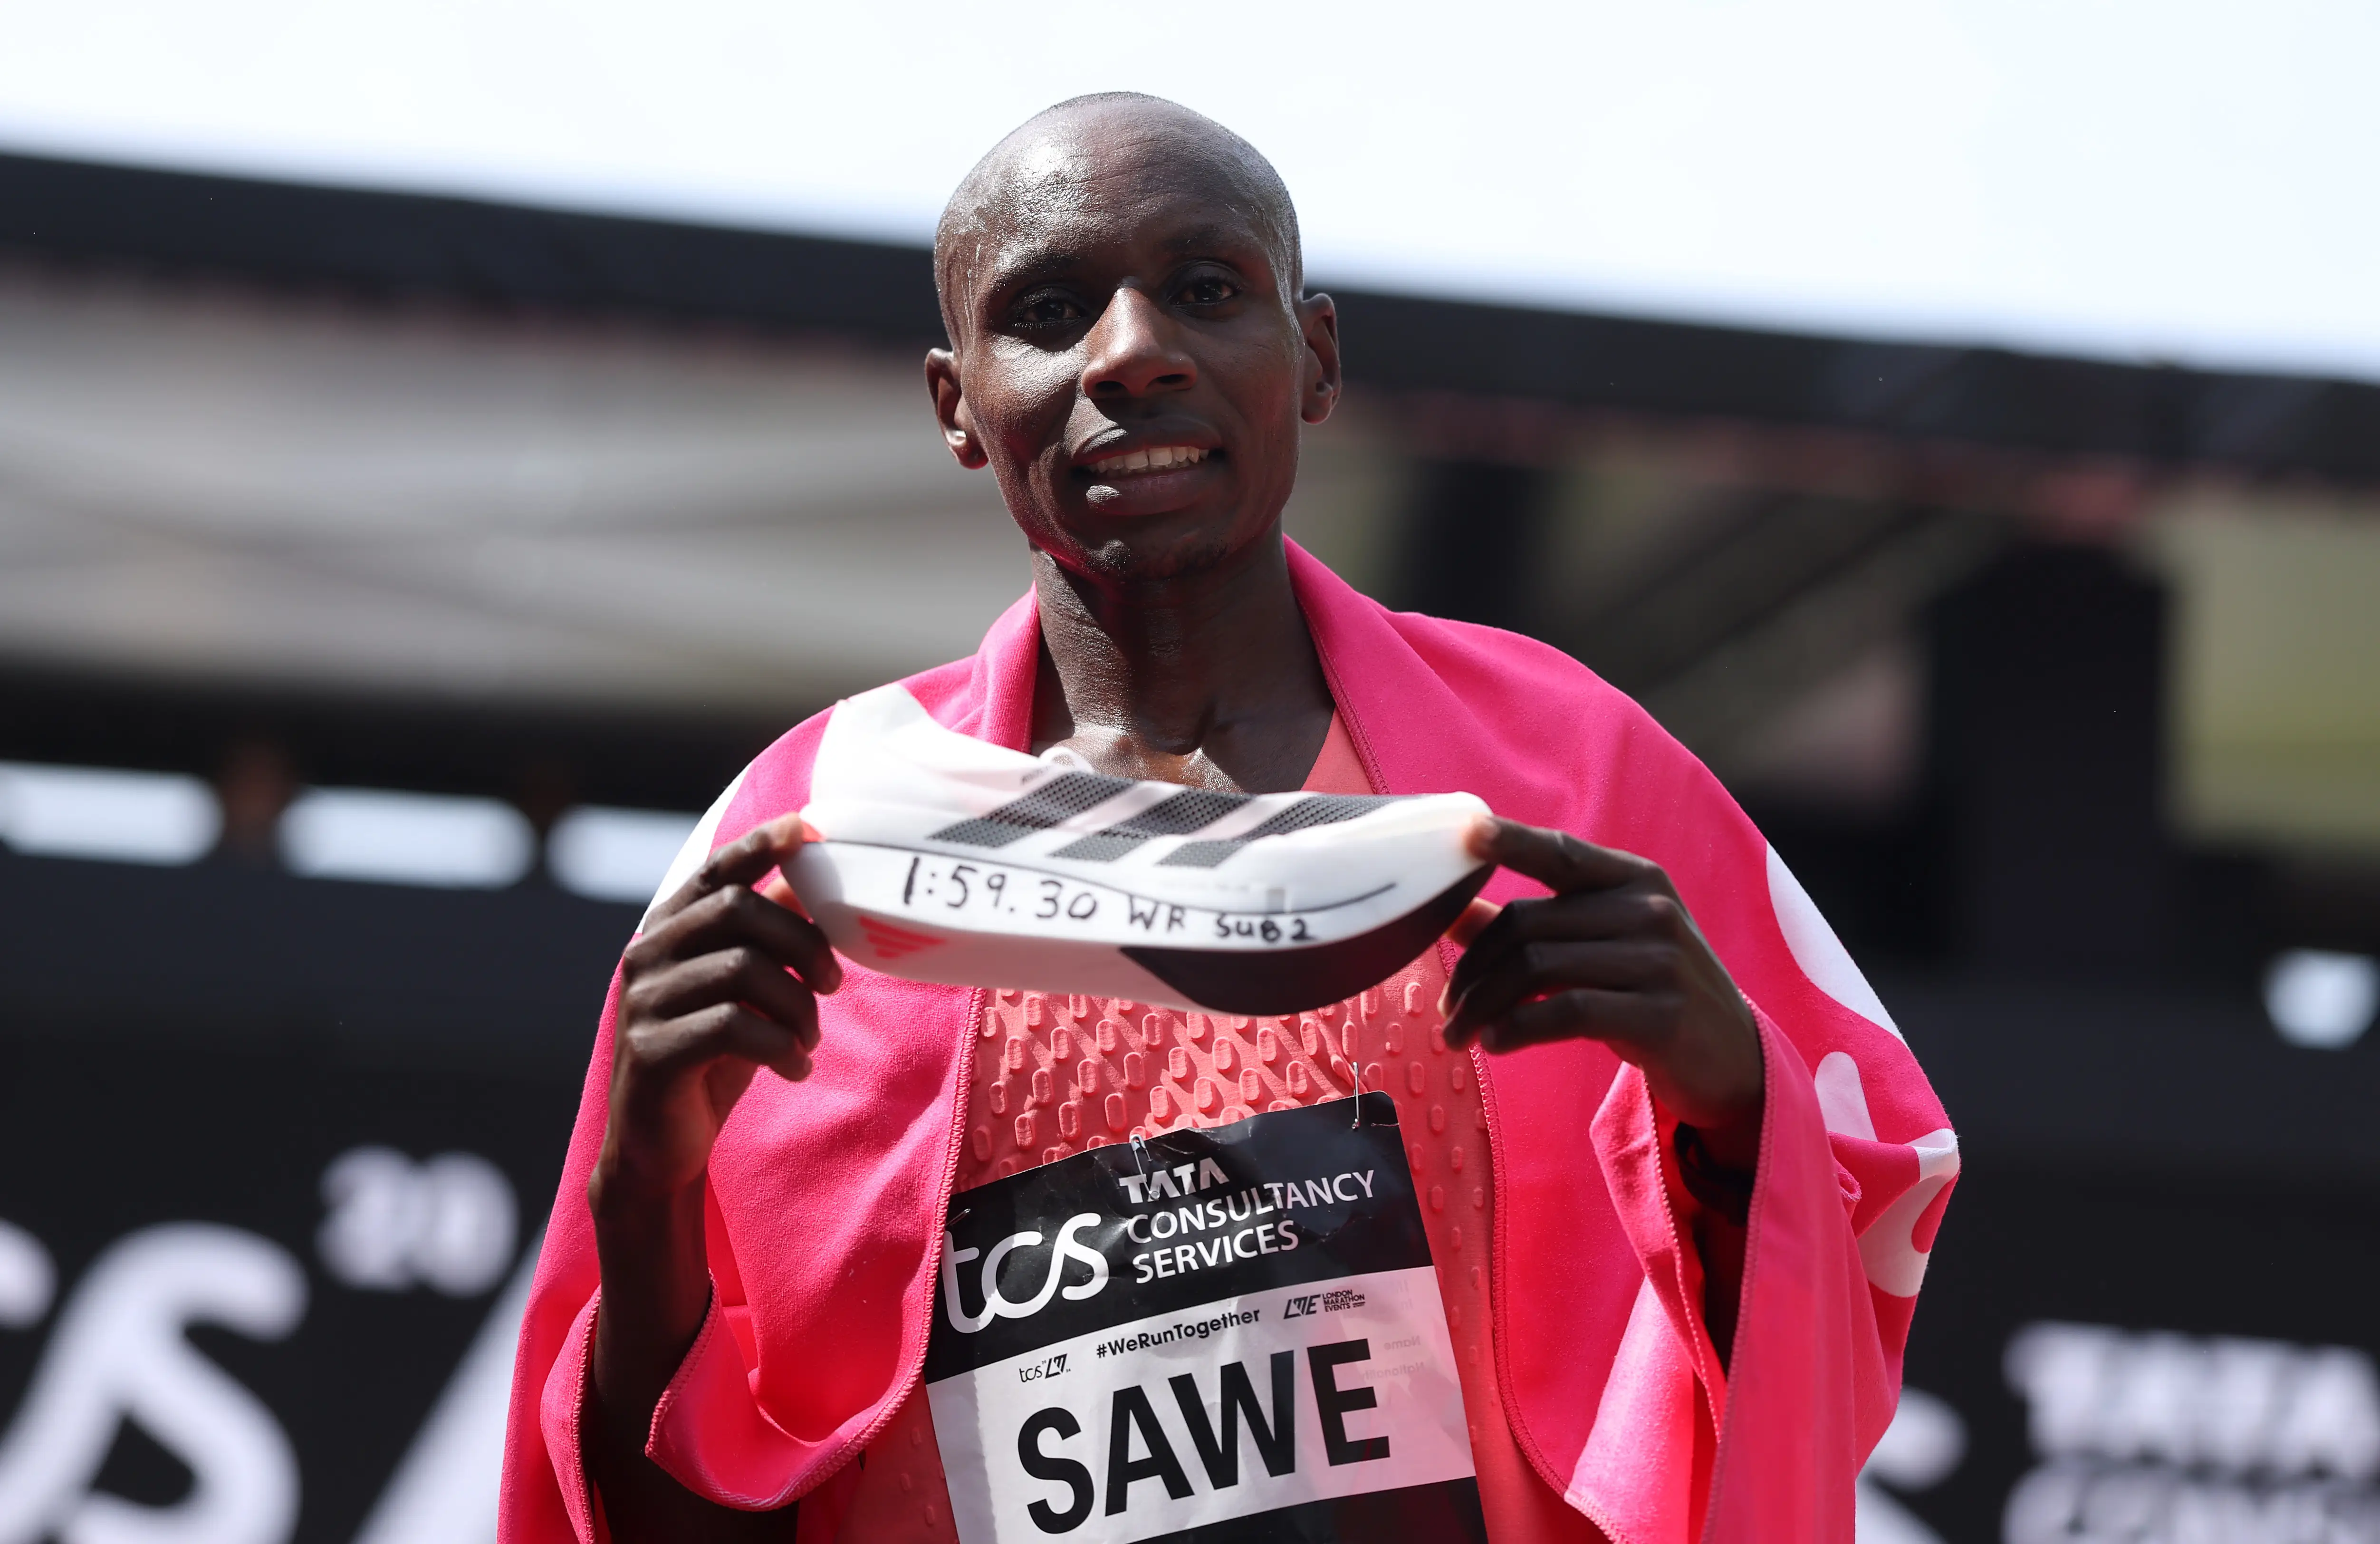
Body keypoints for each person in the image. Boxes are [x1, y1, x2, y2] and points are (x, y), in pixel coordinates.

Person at [500, 93, 1955, 1544]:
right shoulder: (813, 835)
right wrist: (647, 1198)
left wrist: (1734, 1105)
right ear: (957, 406)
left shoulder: (1570, 772)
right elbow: (651, 1520)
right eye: (1051, 310)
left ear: (1315, 356)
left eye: (1205, 288)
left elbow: (1844, 1285)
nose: (1131, 351)